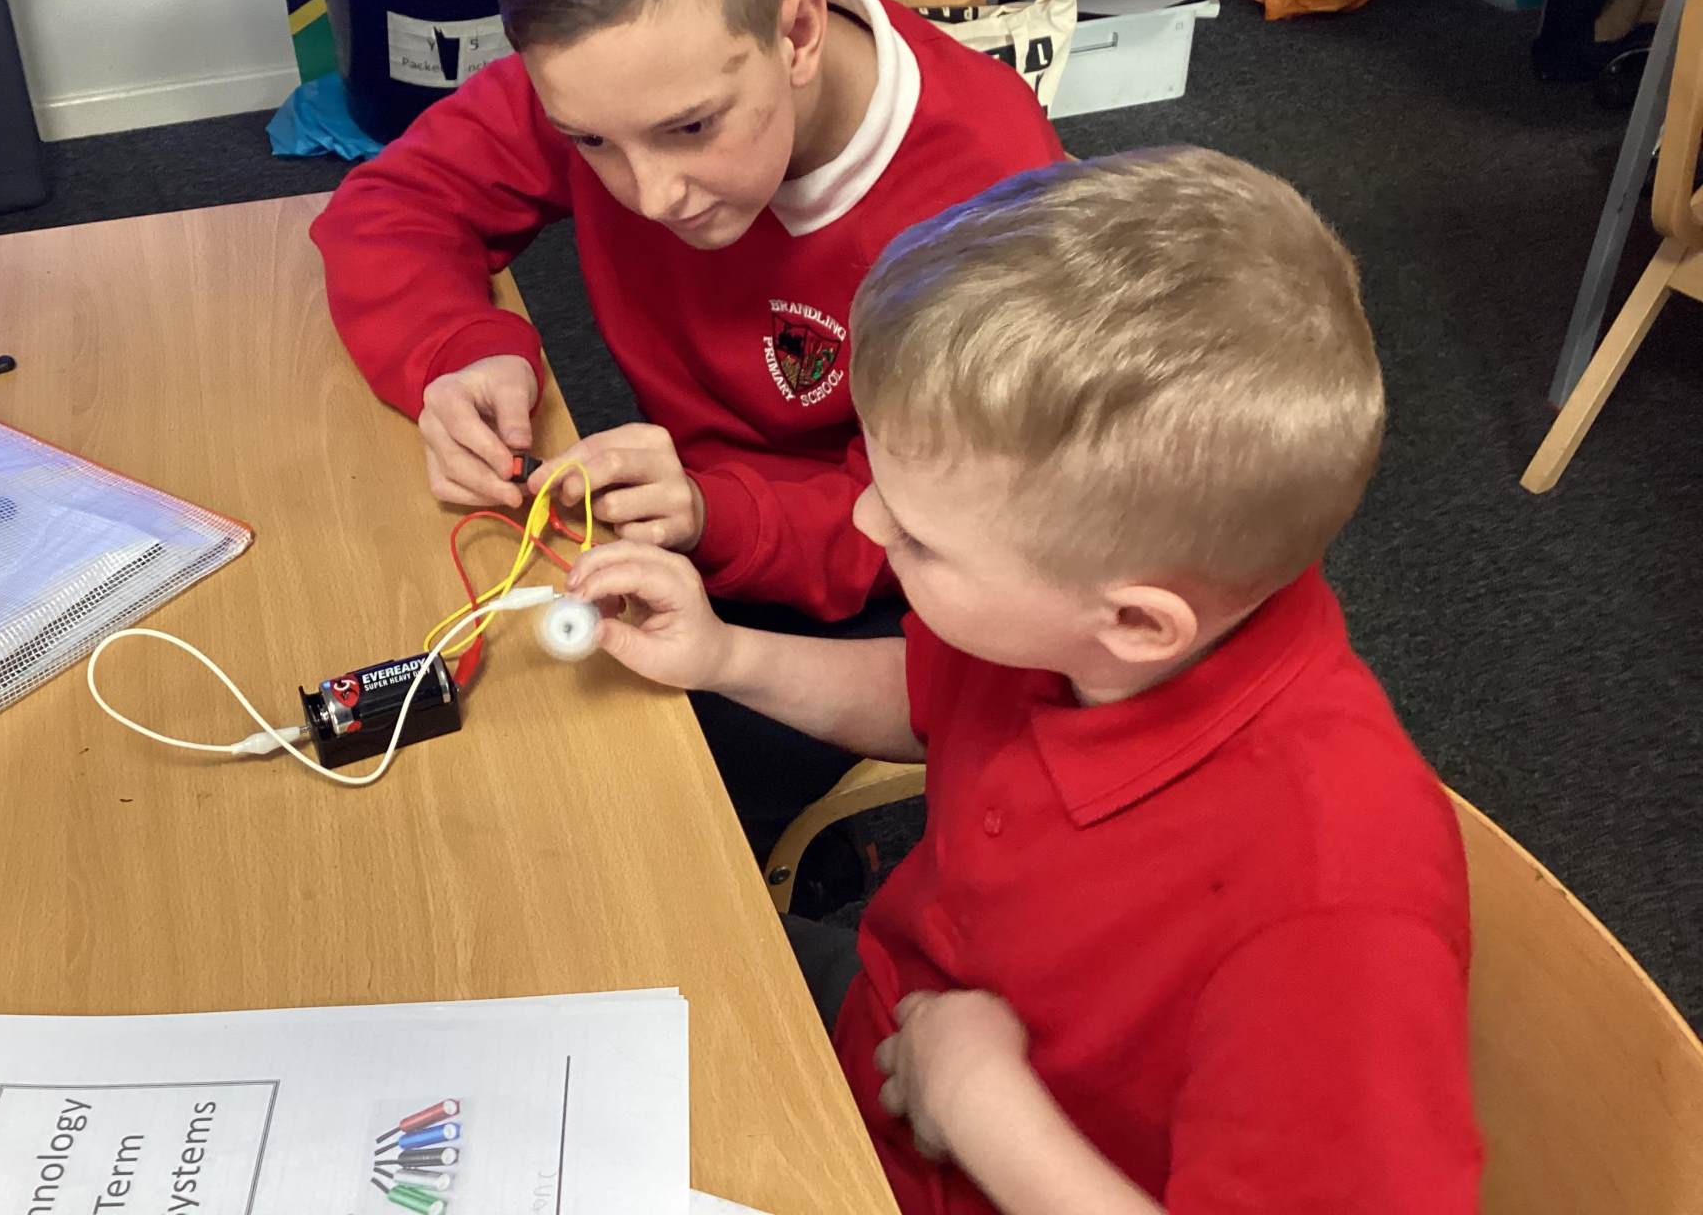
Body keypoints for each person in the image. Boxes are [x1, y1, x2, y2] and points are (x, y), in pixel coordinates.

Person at [562, 148, 1483, 1213]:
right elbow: (931, 703)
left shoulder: (1333, 909)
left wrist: (983, 1105)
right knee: (585, 939)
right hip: (888, 1031)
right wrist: (727, 655)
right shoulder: (1095, 619)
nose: (864, 519)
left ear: (1136, 622)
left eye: (918, 536)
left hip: (957, 1145)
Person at [312, 0, 1062, 851]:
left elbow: (943, 528)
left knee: (618, 813)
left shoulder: (989, 198)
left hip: (894, 563)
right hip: (690, 513)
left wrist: (716, 515)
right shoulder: (625, 71)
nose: (649, 193)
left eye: (691, 129)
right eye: (590, 143)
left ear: (797, 32)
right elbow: (391, 206)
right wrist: (457, 352)